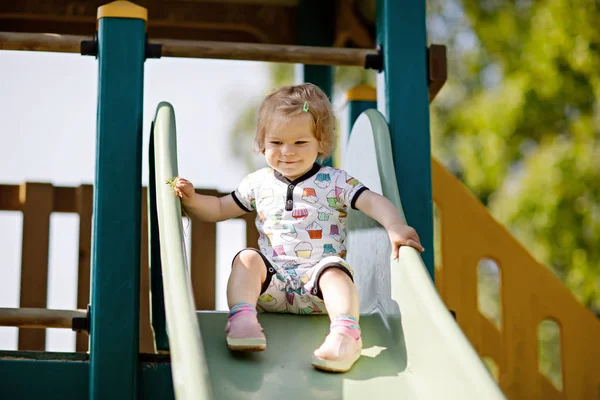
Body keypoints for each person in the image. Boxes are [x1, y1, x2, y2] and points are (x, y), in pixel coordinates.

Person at [172, 83, 424, 373]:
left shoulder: (335, 181)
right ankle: (243, 319)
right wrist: (191, 199)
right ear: (262, 143)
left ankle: (345, 333)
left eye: (300, 143)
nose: (287, 152)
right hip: (273, 286)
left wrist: (395, 226)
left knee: (335, 271)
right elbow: (218, 208)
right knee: (247, 258)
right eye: (276, 143)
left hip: (318, 290)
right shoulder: (258, 183)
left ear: (321, 143)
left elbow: (373, 201)